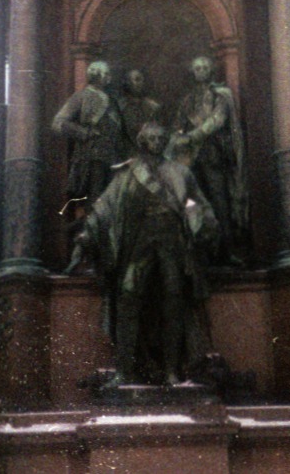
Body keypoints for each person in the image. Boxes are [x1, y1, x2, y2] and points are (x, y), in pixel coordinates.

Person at [77, 122, 219, 386]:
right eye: (151, 138)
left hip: (171, 241)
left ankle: (172, 370)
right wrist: (88, 232)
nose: (156, 142)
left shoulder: (180, 172)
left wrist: (199, 220)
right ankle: (124, 370)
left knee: (173, 299)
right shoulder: (128, 173)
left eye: (160, 138)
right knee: (128, 296)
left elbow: (192, 202)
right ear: (142, 142)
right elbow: (104, 206)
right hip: (139, 241)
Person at [167, 56, 248, 265]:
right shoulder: (188, 99)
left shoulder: (220, 94)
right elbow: (178, 124)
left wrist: (191, 137)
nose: (200, 70)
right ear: (192, 72)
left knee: (219, 203)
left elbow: (217, 120)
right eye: (197, 68)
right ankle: (197, 252)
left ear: (211, 70)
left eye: (204, 67)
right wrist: (176, 138)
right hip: (191, 160)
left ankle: (226, 251)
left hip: (213, 155)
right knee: (191, 202)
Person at [52, 61, 126, 208]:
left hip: (113, 156)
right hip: (91, 155)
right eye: (106, 74)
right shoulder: (81, 97)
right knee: (94, 199)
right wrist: (84, 132)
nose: (109, 77)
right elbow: (58, 122)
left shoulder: (112, 100)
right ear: (95, 75)